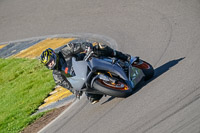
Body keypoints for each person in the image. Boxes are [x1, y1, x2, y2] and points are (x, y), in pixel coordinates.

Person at [40, 42, 138, 104]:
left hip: (87, 61)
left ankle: (127, 58)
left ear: (54, 56)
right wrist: (76, 92)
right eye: (48, 64)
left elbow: (78, 46)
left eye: (51, 61)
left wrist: (86, 47)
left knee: (100, 48)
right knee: (92, 99)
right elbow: (68, 85)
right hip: (84, 79)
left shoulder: (64, 51)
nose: (51, 64)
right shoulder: (57, 76)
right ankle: (107, 87)